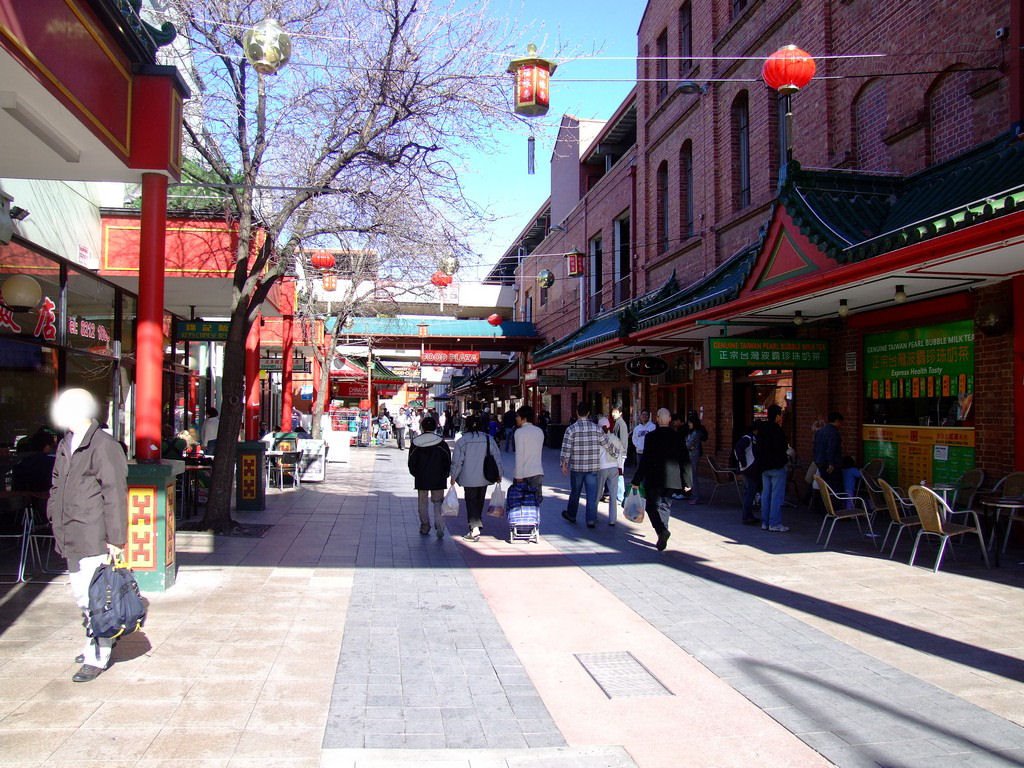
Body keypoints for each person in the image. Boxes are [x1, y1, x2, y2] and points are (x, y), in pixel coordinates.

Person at [46, 388, 128, 683]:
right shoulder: (65, 444)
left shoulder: (103, 445)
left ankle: (97, 654)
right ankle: (98, 639)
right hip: (69, 532)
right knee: (82, 596)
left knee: (94, 598)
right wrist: (53, 514)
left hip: (93, 531)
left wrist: (116, 539)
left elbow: (115, 493)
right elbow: (56, 484)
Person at [630, 408, 682, 551]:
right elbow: (684, 459)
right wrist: (687, 480)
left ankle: (661, 531)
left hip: (654, 478)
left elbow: (645, 460)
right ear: (670, 419)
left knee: (651, 506)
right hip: (672, 478)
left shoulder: (651, 437)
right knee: (665, 505)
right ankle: (663, 532)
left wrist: (637, 479)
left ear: (658, 419)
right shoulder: (677, 436)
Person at [559, 403, 618, 529]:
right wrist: (616, 454)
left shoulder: (571, 429)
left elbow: (566, 448)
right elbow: (607, 444)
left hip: (577, 467)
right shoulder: (596, 429)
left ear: (577, 413)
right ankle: (591, 520)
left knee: (575, 492)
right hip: (592, 467)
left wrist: (564, 464)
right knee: (592, 494)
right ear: (588, 413)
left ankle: (572, 515)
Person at [450, 415, 502, 542]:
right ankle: (476, 524)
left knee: (471, 501)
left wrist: (453, 475)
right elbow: (497, 458)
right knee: (479, 501)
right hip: (484, 476)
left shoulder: (462, 441)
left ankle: (474, 528)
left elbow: (457, 461)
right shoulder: (489, 439)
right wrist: (499, 474)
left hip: (468, 478)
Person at [408, 415, 451, 538]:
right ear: (435, 426)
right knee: (438, 502)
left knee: (422, 502)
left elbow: (411, 462)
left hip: (421, 478)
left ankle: (425, 526)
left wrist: (416, 473)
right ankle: (439, 524)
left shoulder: (416, 443)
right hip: (438, 478)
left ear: (422, 427)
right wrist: (445, 474)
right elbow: (447, 460)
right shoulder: (441, 443)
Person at [756, 404, 790, 532]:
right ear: (776, 416)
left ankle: (765, 522)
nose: (781, 417)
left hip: (764, 466)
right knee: (776, 496)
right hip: (776, 466)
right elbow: (782, 448)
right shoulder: (777, 430)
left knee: (766, 494)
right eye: (780, 414)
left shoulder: (762, 429)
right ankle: (774, 523)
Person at [513, 405, 545, 504]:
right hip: (537, 472)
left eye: (518, 416)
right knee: (535, 504)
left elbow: (519, 455)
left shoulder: (519, 432)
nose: (516, 418)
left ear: (524, 418)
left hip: (524, 473)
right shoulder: (539, 431)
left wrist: (518, 475)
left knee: (521, 504)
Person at [597, 417, 624, 526]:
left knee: (597, 493)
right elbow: (621, 454)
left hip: (602, 467)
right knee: (613, 495)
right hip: (614, 467)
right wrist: (620, 467)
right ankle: (612, 519)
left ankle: (592, 516)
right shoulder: (615, 438)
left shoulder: (599, 439)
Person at [733, 422, 762, 525]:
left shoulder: (749, 438)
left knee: (748, 492)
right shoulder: (748, 438)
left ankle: (748, 515)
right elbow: (738, 448)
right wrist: (743, 462)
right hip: (749, 469)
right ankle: (746, 516)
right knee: (750, 492)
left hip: (748, 468)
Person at [684, 411, 707, 505]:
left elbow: (688, 445)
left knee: (693, 476)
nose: (688, 424)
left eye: (690, 422)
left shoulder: (695, 433)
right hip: (691, 455)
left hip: (693, 455)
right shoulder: (692, 432)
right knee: (691, 476)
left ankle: (695, 496)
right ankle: (693, 495)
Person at [610, 404, 630, 503]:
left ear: (620, 413)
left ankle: (620, 496)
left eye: (616, 412)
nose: (613, 414)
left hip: (620, 454)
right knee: (618, 474)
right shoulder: (618, 423)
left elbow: (622, 441)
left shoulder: (621, 424)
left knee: (619, 475)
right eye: (613, 411)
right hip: (619, 453)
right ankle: (619, 495)